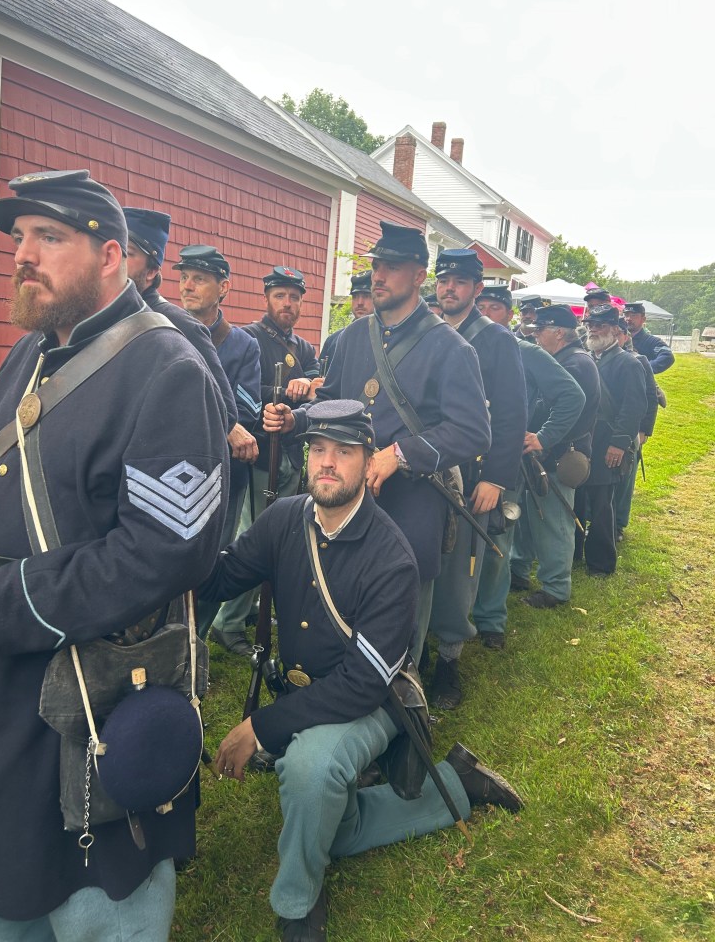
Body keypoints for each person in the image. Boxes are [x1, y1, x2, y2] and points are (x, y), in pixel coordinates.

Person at [0, 170, 229, 940]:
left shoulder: (169, 369)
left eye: (49, 237)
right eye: (19, 238)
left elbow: (168, 551)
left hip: (94, 688)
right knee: (7, 882)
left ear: (110, 256)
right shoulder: (29, 354)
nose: (22, 255)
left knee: (99, 896)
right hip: (1, 689)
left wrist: (8, 604)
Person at [198, 400, 522, 942]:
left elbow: (361, 685)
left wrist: (260, 726)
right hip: (314, 694)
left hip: (376, 701)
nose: (327, 463)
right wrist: (175, 547)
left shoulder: (392, 557)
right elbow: (222, 577)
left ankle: (298, 901)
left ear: (369, 462)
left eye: (344, 452)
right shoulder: (285, 518)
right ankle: (457, 783)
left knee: (310, 769)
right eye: (318, 449)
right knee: (337, 828)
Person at [265, 222, 491, 666]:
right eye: (376, 266)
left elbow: (472, 430)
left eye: (392, 267)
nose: (379, 276)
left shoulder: (451, 348)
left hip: (412, 502)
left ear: (420, 275)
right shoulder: (352, 337)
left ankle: (399, 696)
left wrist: (400, 454)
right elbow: (332, 402)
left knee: (400, 617)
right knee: (339, 601)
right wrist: (297, 419)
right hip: (348, 498)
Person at [427, 257, 526, 706]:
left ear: (477, 288)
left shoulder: (496, 339)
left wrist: (496, 478)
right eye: (444, 280)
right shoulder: (426, 331)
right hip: (424, 469)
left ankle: (448, 661)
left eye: (460, 282)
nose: (450, 289)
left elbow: (511, 415)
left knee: (459, 574)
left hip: (470, 475)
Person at [212, 265, 320, 655]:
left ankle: (254, 607)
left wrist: (310, 382)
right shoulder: (248, 339)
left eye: (294, 297)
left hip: (289, 453)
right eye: (280, 296)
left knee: (278, 537)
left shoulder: (303, 348)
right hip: (258, 455)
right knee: (252, 539)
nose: (287, 303)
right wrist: (284, 391)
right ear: (267, 298)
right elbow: (236, 391)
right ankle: (227, 622)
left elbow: (319, 379)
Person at [473, 288, 585, 639]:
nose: (486, 313)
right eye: (481, 306)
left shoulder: (525, 351)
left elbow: (572, 395)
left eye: (495, 307)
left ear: (510, 315)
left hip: (503, 460)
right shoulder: (454, 345)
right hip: (459, 458)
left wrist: (543, 437)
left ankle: (490, 621)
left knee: (497, 543)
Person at [172, 243, 261, 546]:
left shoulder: (243, 345)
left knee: (214, 554)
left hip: (220, 475)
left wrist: (228, 426)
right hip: (169, 468)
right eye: (184, 277)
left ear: (223, 287)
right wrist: (226, 425)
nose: (187, 286)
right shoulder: (164, 332)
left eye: (199, 279)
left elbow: (246, 414)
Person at [513, 304, 600, 608]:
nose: (535, 336)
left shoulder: (576, 363)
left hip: (557, 454)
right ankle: (518, 571)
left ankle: (556, 588)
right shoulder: (565, 359)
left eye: (541, 330)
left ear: (559, 332)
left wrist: (542, 438)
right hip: (543, 452)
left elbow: (565, 410)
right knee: (529, 518)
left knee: (555, 524)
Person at [123, 206, 238, 432]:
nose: (114, 259)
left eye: (127, 252)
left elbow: (224, 412)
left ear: (151, 271)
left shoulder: (181, 326)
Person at [574, 304, 647, 576]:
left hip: (607, 441)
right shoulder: (587, 358)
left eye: (600, 326)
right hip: (583, 439)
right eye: (590, 325)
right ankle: (573, 552)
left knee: (602, 504)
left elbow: (633, 407)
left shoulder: (629, 363)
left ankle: (601, 563)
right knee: (577, 498)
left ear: (615, 330)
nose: (593, 330)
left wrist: (618, 443)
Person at [613, 317, 659, 541]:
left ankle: (618, 524)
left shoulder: (638, 361)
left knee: (624, 478)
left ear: (625, 336)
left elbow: (650, 397)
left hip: (630, 428)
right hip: (606, 427)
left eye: (618, 334)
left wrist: (643, 430)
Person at [318, 270, 373, 369]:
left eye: (366, 296)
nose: (359, 302)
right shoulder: (334, 340)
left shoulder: (386, 339)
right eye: (355, 297)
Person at [623, 301, 675, 375]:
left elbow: (667, 356)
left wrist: (643, 369)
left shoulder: (652, 342)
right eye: (626, 315)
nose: (628, 318)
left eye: (633, 315)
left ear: (643, 319)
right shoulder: (617, 339)